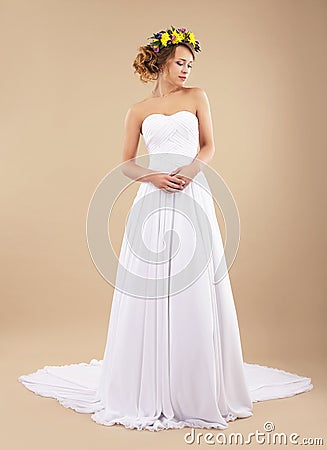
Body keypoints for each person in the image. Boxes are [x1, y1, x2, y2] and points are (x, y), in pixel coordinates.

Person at [18, 26, 313, 432]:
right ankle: (150, 383)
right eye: (180, 62)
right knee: (154, 282)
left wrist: (192, 169)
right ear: (161, 62)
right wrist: (152, 178)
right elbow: (126, 163)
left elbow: (209, 145)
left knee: (194, 282)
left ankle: (194, 386)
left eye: (191, 64)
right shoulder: (138, 109)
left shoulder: (198, 98)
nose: (187, 70)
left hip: (193, 194)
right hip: (153, 201)